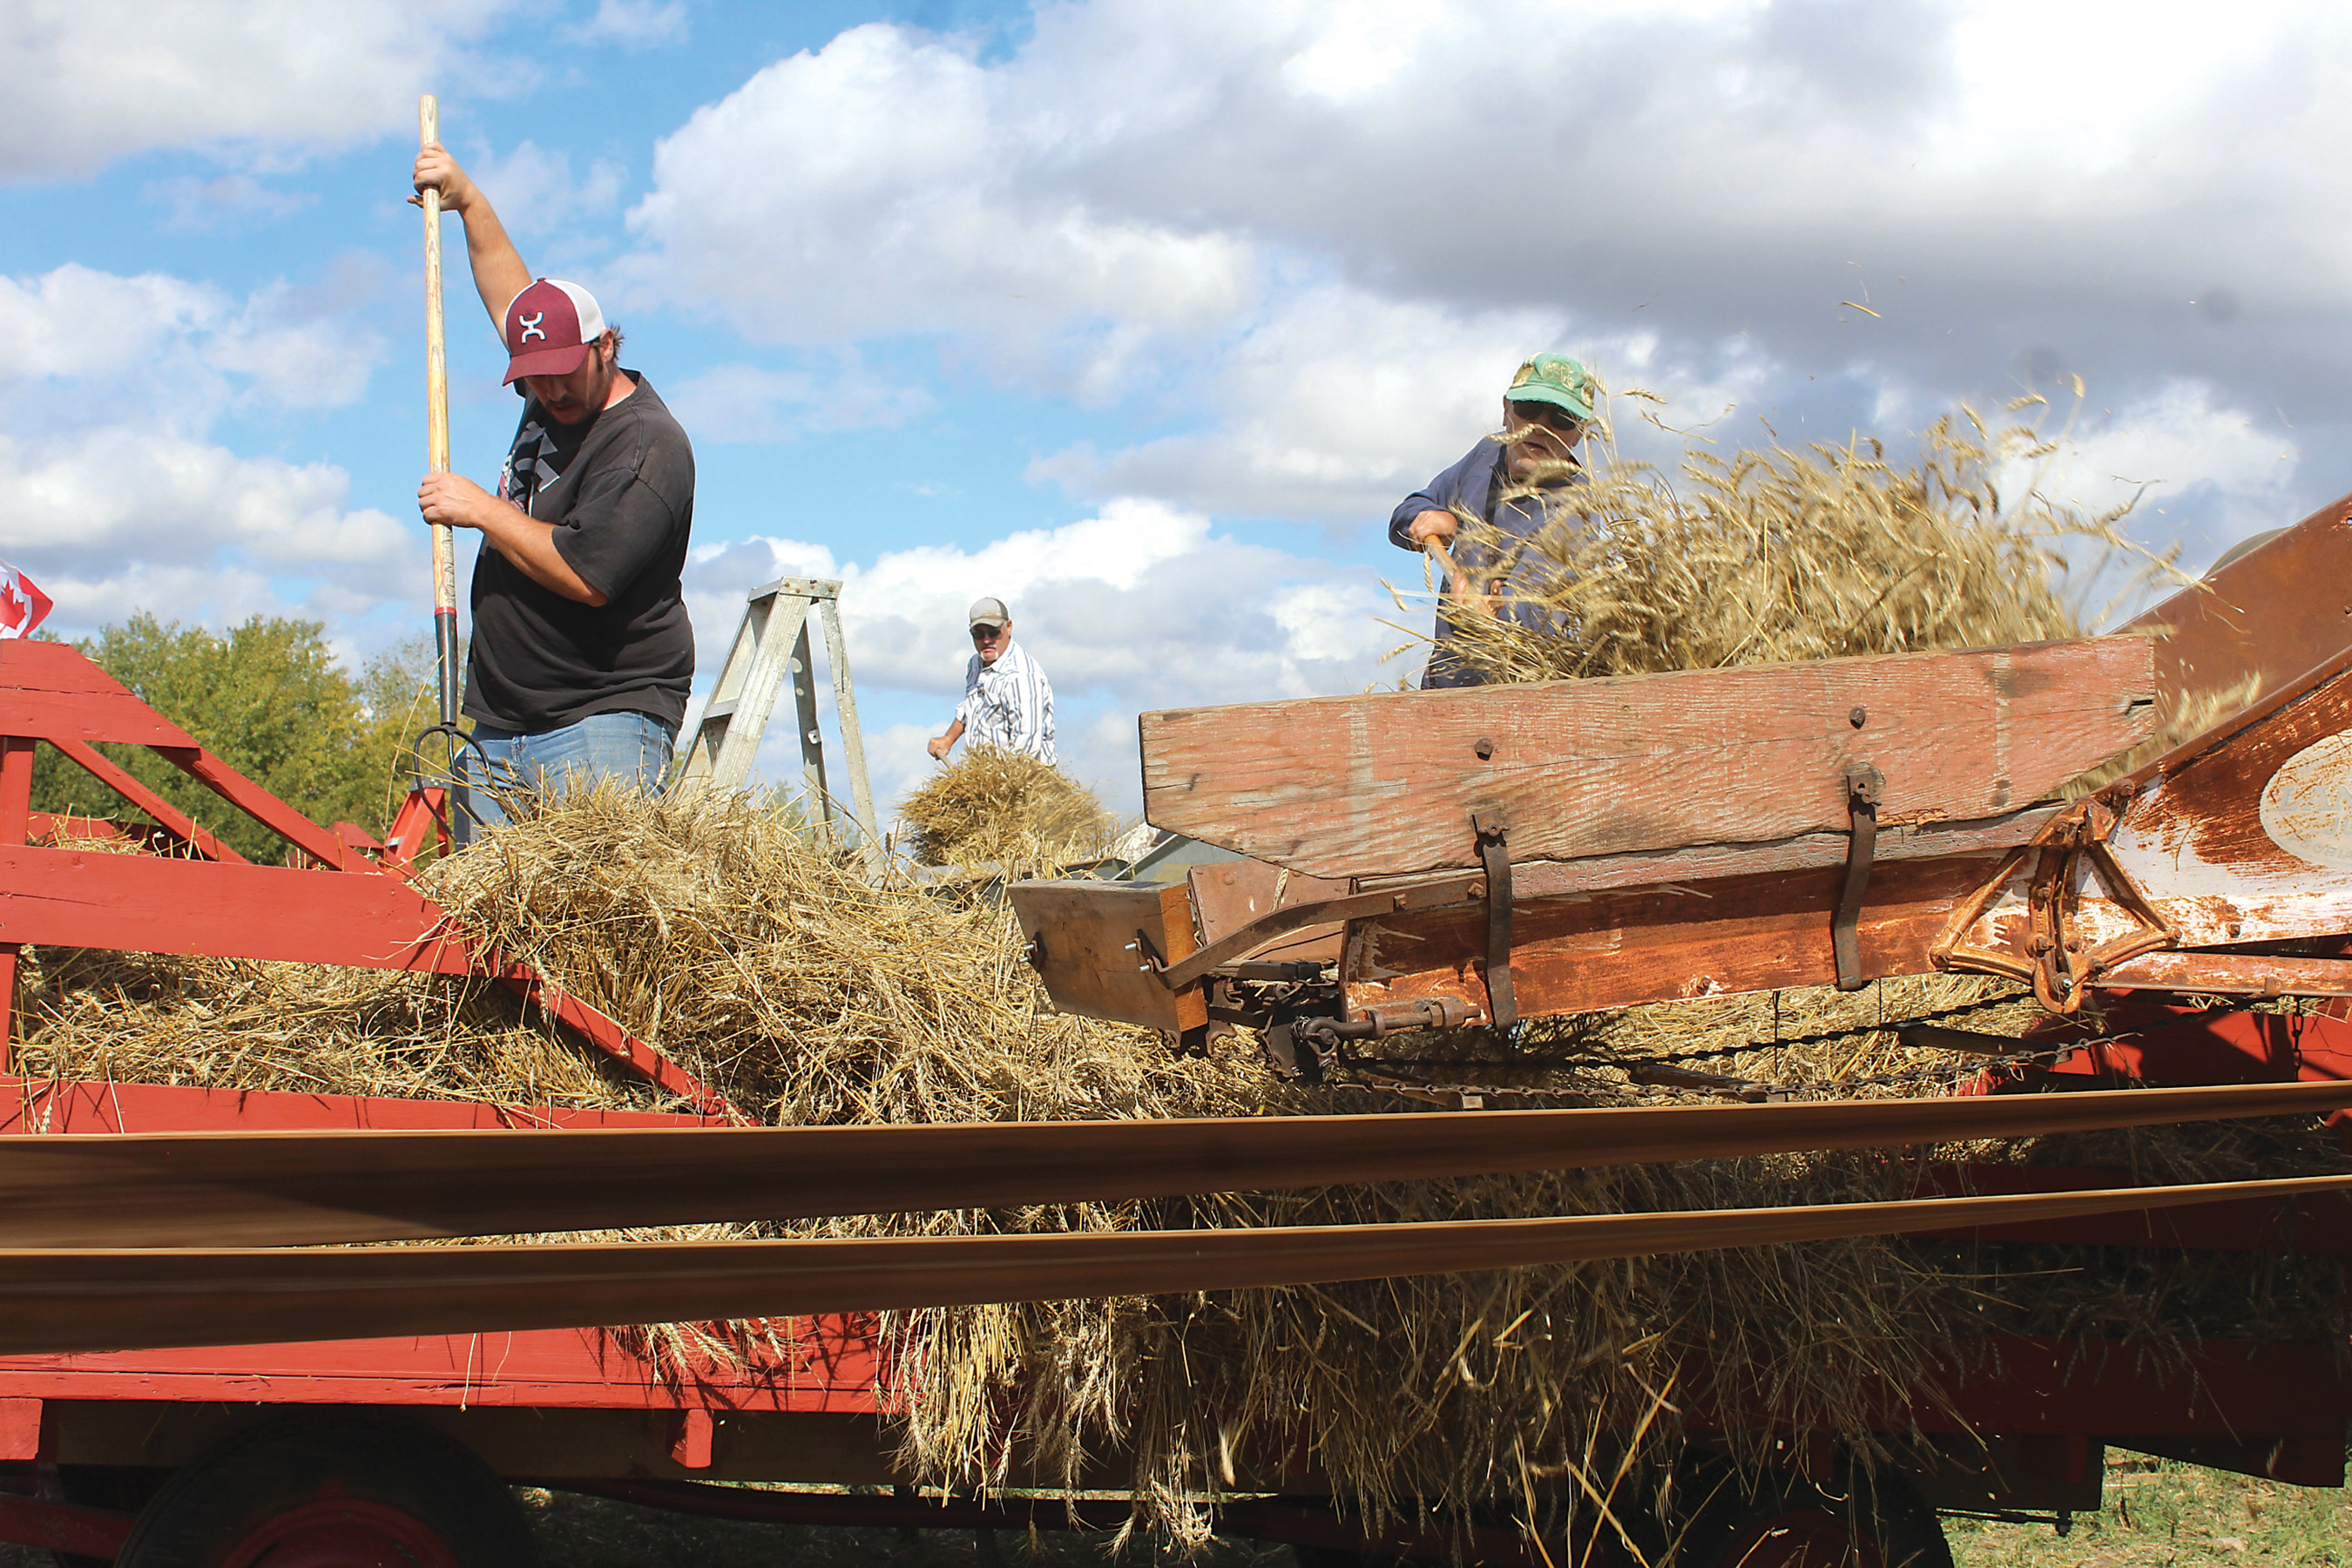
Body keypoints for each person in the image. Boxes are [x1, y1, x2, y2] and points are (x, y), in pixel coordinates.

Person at [410, 143, 695, 836]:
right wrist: (467, 199)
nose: (548, 389)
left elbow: (586, 573)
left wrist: (480, 509)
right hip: (502, 721)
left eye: (563, 372)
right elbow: (510, 295)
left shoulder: (648, 444)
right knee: (496, 937)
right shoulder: (549, 383)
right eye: (532, 375)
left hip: (603, 720)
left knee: (594, 929)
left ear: (605, 347)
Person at [1389, 354, 1597, 688]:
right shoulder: (1486, 456)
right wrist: (1427, 519)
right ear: (1506, 409)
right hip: (1439, 695)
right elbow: (1407, 512)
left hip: (1517, 703)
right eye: (1528, 409)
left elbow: (1532, 619)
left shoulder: (1576, 509)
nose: (1539, 427)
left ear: (1579, 433)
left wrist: (1485, 619)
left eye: (1561, 418)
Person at [926, 598, 1056, 763]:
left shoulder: (1021, 676)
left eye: (993, 632)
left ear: (1008, 627)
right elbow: (970, 707)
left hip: (1023, 779)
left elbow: (1027, 742)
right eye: (979, 634)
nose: (986, 640)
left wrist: (1000, 784)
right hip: (984, 775)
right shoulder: (975, 664)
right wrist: (948, 739)